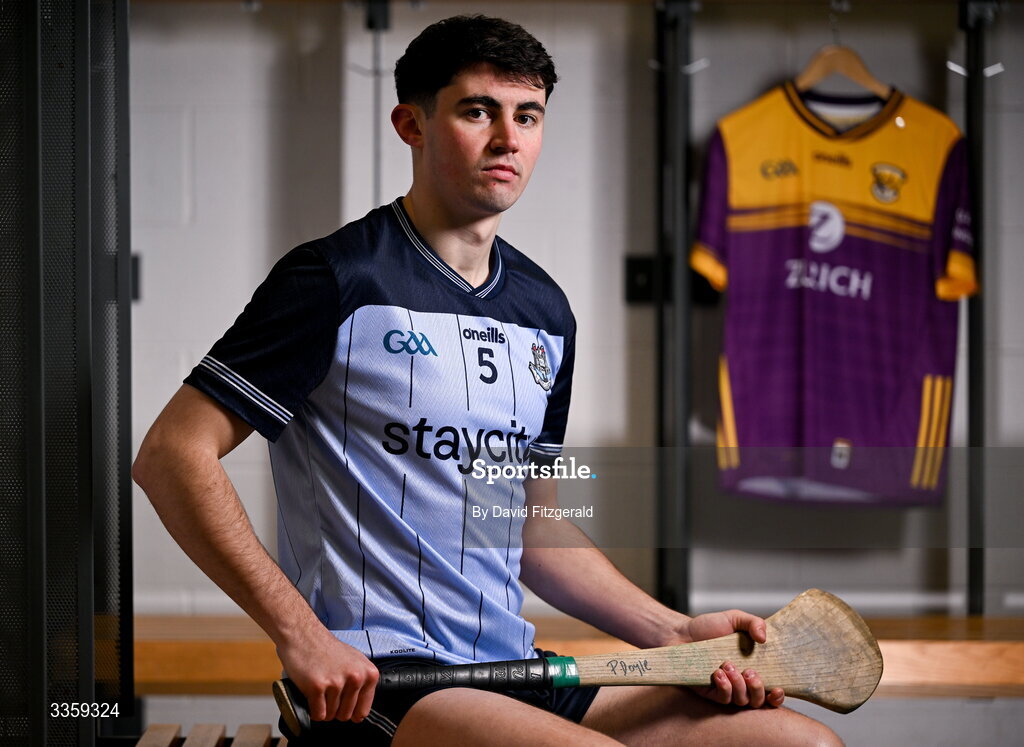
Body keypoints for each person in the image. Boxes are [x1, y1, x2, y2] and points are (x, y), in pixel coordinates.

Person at [133, 15, 840, 746]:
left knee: (799, 743)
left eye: (527, 115)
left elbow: (531, 525)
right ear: (412, 122)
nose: (508, 138)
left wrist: (679, 632)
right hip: (381, 682)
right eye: (478, 110)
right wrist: (299, 633)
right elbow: (172, 454)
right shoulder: (335, 279)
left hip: (515, 672)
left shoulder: (544, 310)